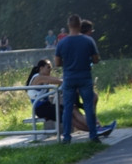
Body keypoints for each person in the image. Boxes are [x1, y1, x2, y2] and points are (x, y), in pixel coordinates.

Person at [54, 14, 101, 144]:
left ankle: (67, 137)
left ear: (69, 25)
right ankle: (93, 135)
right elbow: (96, 59)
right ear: (80, 25)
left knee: (68, 107)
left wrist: (68, 63)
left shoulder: (62, 43)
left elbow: (57, 63)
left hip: (69, 77)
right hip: (85, 77)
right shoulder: (88, 41)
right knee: (88, 106)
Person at [26, 58, 62, 124]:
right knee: (66, 114)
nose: (50, 69)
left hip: (47, 106)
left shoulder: (44, 77)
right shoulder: (39, 77)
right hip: (41, 109)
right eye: (48, 67)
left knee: (72, 109)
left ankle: (85, 126)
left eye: (51, 67)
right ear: (41, 68)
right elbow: (59, 81)